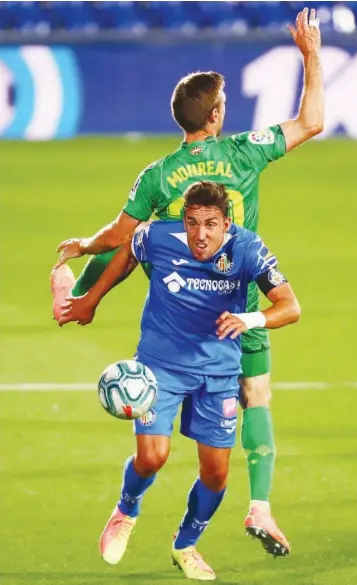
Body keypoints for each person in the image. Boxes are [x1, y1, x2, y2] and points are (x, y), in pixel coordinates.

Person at [51, 7, 322, 556]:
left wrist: (83, 255)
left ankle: (72, 291)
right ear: (217, 114)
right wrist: (311, 55)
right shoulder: (246, 150)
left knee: (144, 245)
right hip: (241, 298)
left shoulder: (157, 174)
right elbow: (312, 122)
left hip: (181, 304)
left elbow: (121, 239)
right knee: (258, 396)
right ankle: (261, 507)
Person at [60, 182, 300, 580]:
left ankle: (185, 543)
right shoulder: (156, 237)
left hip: (218, 373)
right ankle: (126, 510)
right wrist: (91, 299)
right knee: (152, 457)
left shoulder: (248, 248)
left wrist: (251, 319)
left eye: (210, 225)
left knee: (217, 474)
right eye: (192, 223)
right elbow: (124, 257)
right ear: (183, 220)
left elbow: (290, 306)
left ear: (226, 223)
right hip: (160, 367)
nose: (200, 235)